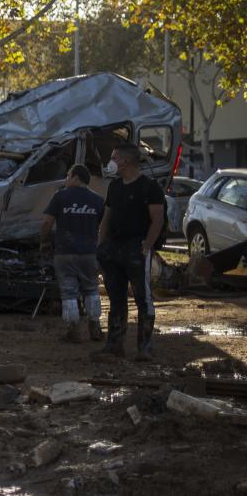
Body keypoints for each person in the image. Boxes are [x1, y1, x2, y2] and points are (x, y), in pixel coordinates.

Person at [96, 142, 166, 360]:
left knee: (143, 298)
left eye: (114, 157)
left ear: (126, 161)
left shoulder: (149, 187)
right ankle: (114, 346)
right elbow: (106, 217)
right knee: (116, 297)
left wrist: (147, 246)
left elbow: (158, 219)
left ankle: (145, 348)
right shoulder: (115, 186)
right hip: (113, 250)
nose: (111, 161)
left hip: (137, 249)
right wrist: (101, 246)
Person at [41, 164, 105, 343]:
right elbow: (104, 226)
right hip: (89, 253)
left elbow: (47, 223)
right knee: (92, 288)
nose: (66, 179)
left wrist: (44, 242)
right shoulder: (98, 200)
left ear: (76, 177)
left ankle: (74, 331)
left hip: (65, 252)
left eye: (68, 175)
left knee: (69, 291)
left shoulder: (60, 197)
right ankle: (95, 328)